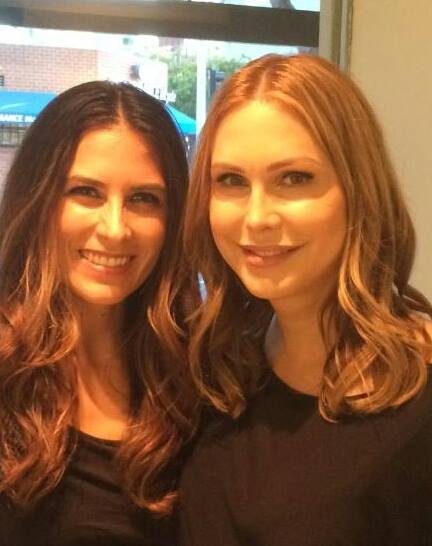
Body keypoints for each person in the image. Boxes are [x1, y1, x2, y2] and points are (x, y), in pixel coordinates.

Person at [179, 54, 432, 546]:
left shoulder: (419, 398)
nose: (257, 217)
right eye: (231, 180)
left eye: (294, 178)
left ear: (358, 190)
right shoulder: (222, 363)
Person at [0, 80, 198, 545]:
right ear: (38, 199)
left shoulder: (195, 380)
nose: (114, 229)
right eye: (86, 191)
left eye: (143, 198)